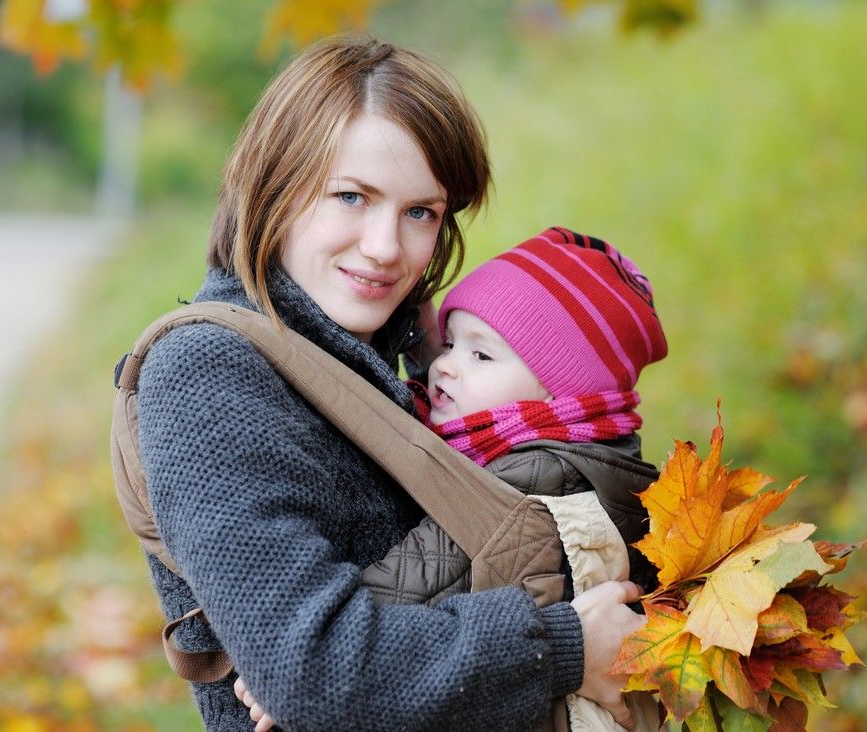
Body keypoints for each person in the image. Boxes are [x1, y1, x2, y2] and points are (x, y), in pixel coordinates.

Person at [134, 35, 646, 731]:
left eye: (420, 213)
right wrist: (563, 647)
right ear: (274, 187)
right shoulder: (211, 375)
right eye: (351, 197)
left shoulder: (406, 366)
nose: (385, 247)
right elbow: (308, 668)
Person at [359, 226, 667, 611]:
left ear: (560, 392)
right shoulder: (570, 446)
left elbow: (389, 602)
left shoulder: (527, 483)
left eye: (481, 355)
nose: (443, 366)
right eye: (451, 344)